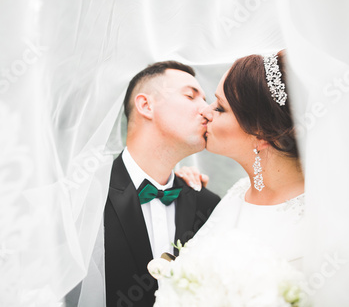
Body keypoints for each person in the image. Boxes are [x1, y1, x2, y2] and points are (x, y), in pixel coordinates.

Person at [104, 61, 221, 307]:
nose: (208, 110)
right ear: (146, 105)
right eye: (191, 96)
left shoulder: (209, 205)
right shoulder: (89, 199)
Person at [177, 50, 306, 269]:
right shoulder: (236, 193)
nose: (205, 112)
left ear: (263, 133)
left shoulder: (321, 223)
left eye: (219, 108)